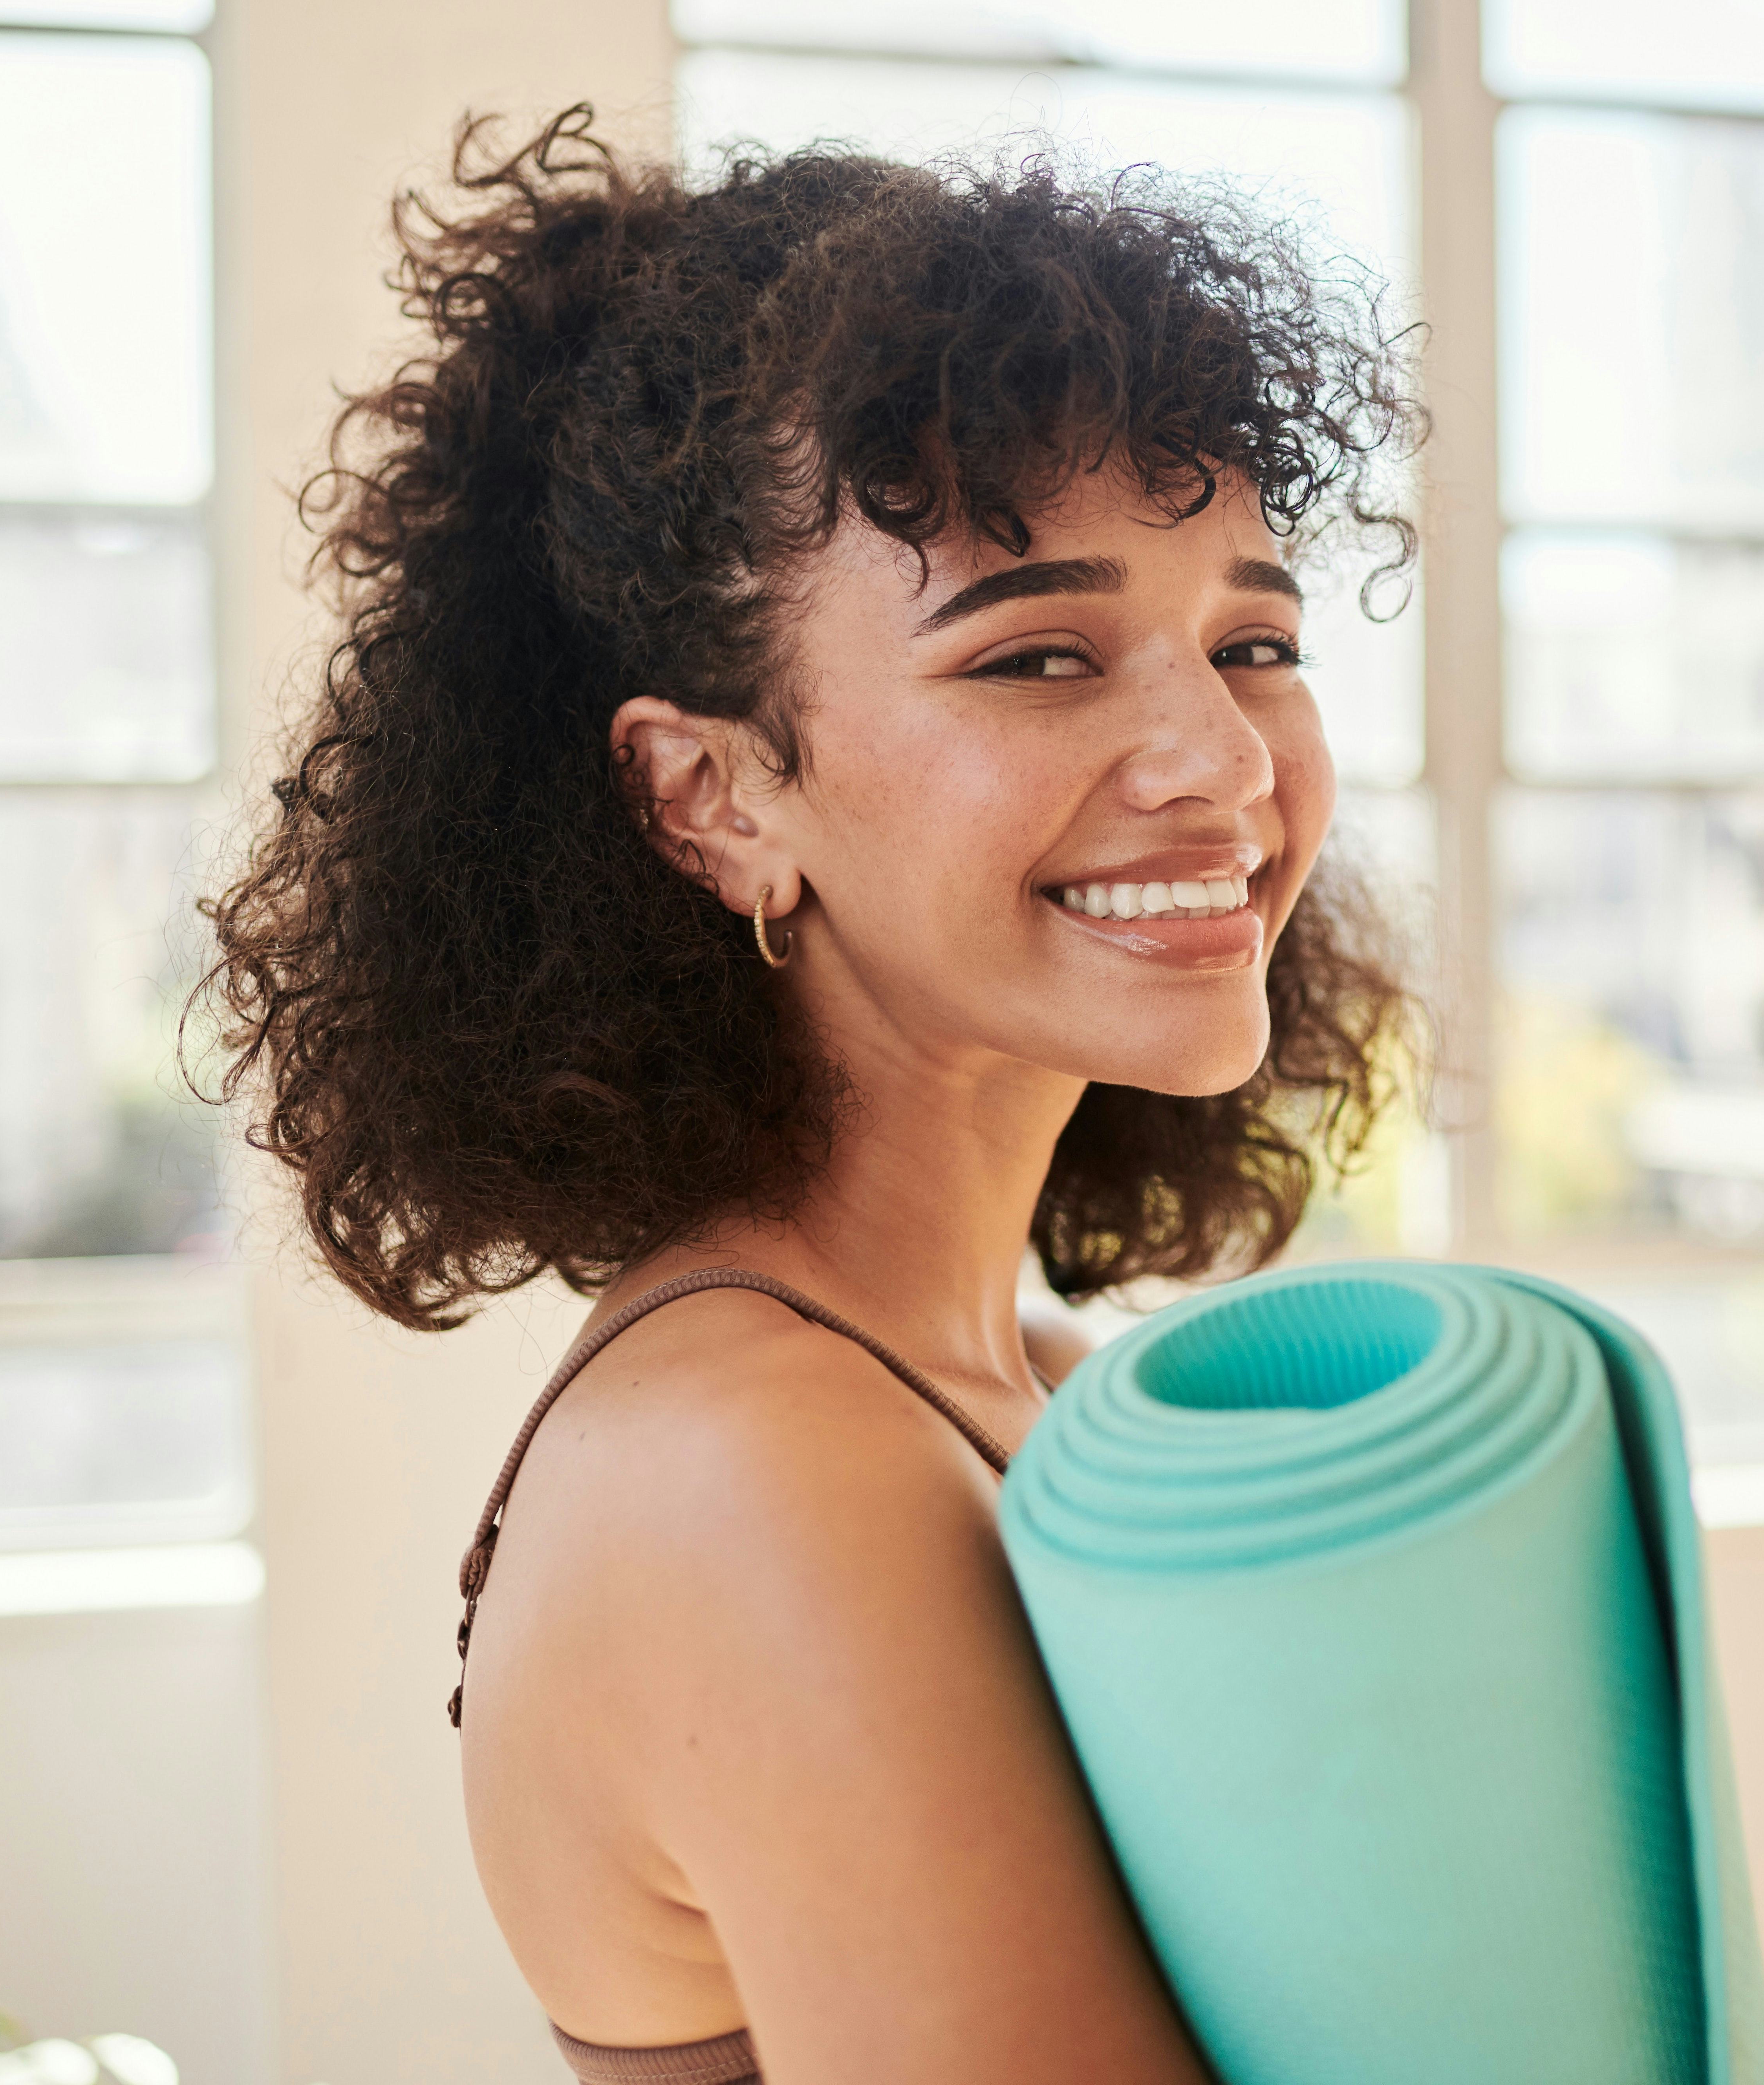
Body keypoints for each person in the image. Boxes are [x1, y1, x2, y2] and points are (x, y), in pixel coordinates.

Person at [197, 106, 1419, 2084]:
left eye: (1254, 639)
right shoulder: (756, 1471)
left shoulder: (1039, 1377)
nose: (1224, 756)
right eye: (1041, 656)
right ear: (715, 795)